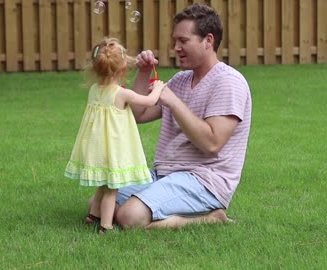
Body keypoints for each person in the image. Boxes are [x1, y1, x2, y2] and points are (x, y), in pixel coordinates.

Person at [89, 3, 252, 229]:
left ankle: (209, 218)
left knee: (129, 217)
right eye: (175, 40)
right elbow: (139, 114)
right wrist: (144, 73)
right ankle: (153, 209)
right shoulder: (181, 79)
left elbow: (212, 143)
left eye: (183, 41)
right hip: (164, 174)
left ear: (209, 40)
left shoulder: (229, 83)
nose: (176, 47)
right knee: (97, 203)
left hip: (204, 180)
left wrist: (173, 102)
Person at [65, 37, 166, 233]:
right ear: (123, 70)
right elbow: (149, 100)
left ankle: (92, 216)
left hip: (98, 148)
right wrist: (159, 88)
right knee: (112, 190)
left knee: (102, 185)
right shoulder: (121, 94)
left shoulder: (95, 90)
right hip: (113, 150)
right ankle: (106, 226)